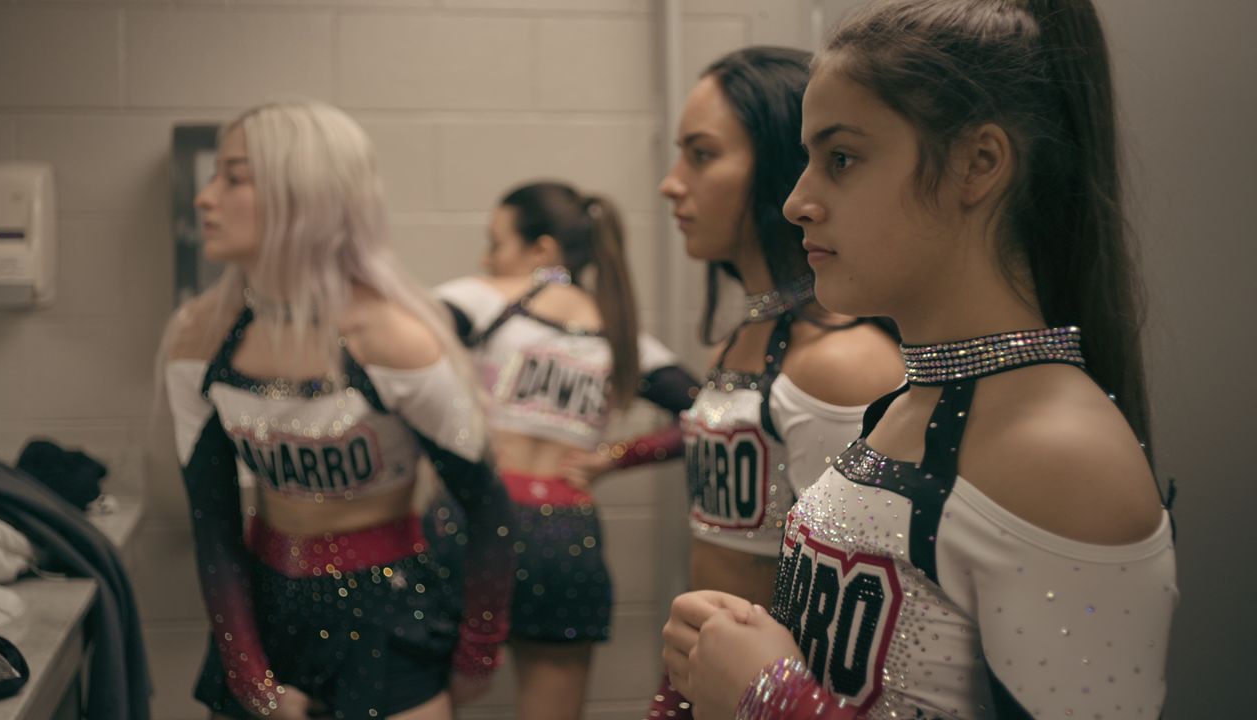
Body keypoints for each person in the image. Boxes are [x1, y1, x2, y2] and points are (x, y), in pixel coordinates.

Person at [662, 2, 1178, 718]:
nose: (798, 202)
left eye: (841, 158)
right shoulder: (913, 401)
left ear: (979, 164)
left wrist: (769, 696)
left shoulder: (1062, 453)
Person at [161, 100, 513, 720]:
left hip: (391, 617)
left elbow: (487, 501)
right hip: (263, 613)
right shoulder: (200, 338)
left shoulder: (395, 340)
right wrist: (251, 679)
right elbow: (212, 522)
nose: (205, 199)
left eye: (234, 178)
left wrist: (478, 650)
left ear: (305, 195)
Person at [623, 47, 904, 719]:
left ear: (779, 166)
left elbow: (867, 621)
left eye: (701, 154)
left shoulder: (838, 359)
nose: (670, 183)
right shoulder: (749, 332)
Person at [435, 181, 698, 720]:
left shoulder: (485, 299)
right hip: (564, 536)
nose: (487, 259)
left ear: (543, 252)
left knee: (429, 700)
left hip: (476, 518)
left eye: (497, 243)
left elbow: (385, 338)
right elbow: (709, 416)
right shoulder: (622, 334)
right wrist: (616, 456)